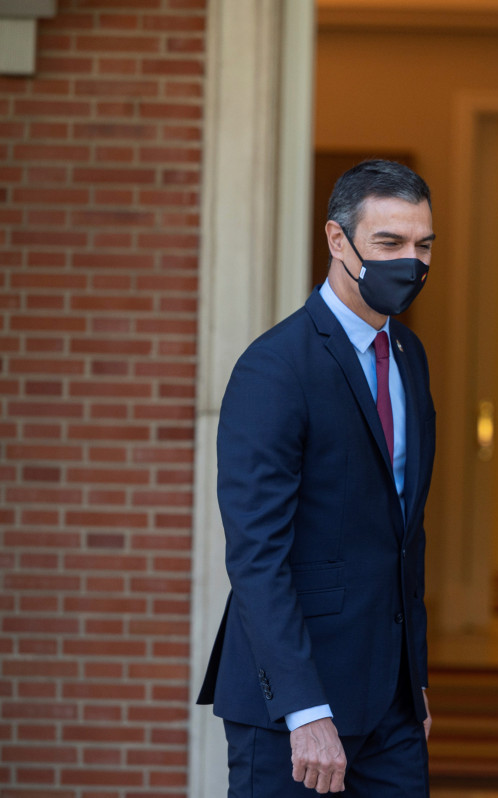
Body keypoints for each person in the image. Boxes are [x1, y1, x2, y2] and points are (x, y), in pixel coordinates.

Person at [197, 159, 438, 796]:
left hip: (390, 708)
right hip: (294, 718)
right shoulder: (275, 368)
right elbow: (257, 557)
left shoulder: (409, 358)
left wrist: (412, 684)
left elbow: (401, 536)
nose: (410, 261)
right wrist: (305, 712)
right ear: (338, 241)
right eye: (389, 244)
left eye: (423, 245)